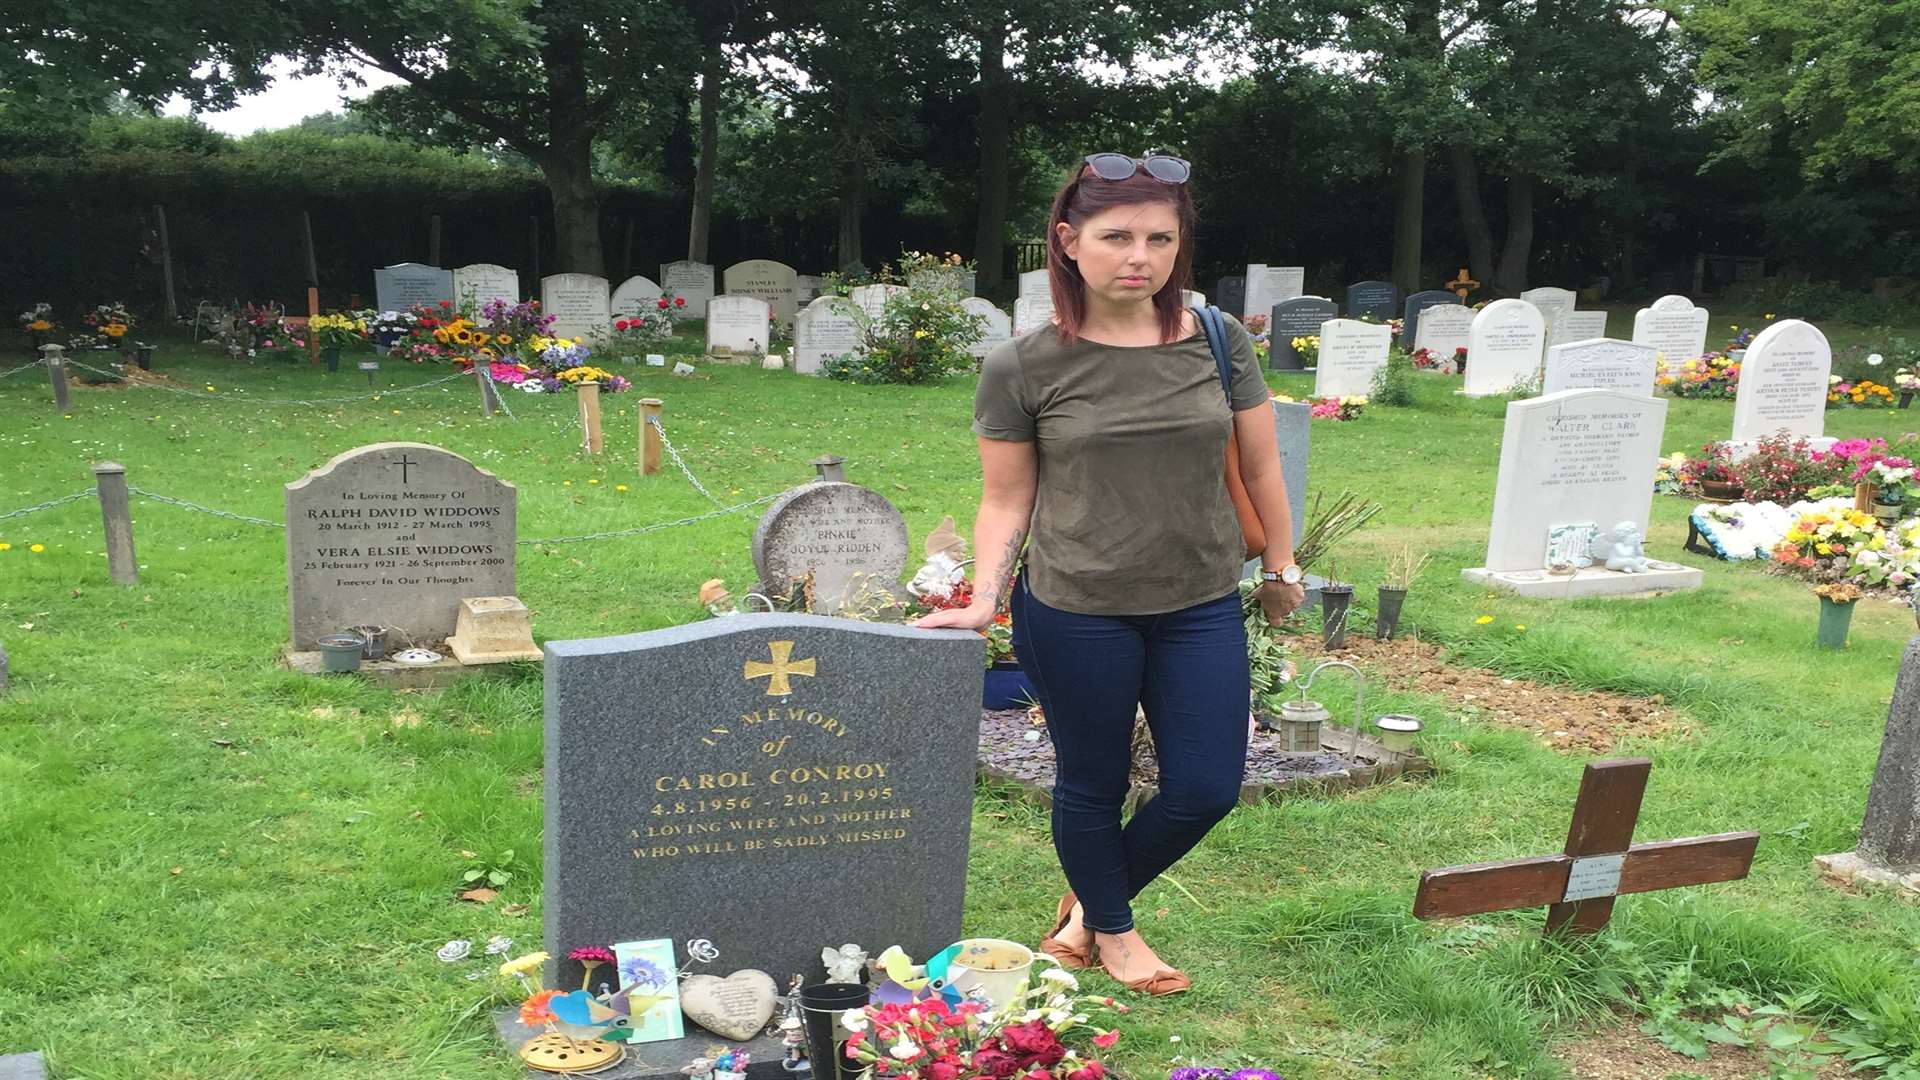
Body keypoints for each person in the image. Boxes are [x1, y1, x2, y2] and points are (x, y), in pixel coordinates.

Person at [915, 153, 1304, 994]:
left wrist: (1280, 558)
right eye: (1117, 236)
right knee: (1092, 782)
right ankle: (1117, 933)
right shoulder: (1024, 365)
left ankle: (1088, 908)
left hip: (1198, 602)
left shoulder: (1216, 338)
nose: (1141, 257)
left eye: (1161, 239)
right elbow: (1004, 500)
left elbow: (1263, 466)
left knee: (1206, 787)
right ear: (1068, 241)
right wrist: (982, 597)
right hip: (1076, 606)